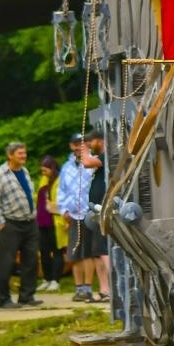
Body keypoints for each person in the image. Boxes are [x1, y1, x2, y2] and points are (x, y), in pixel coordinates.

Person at [0, 142, 41, 309]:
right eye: (20, 153)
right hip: (11, 223)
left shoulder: (24, 171)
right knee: (6, 262)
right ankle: (3, 299)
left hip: (29, 222)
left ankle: (27, 296)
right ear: (10, 155)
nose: (23, 156)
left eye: (24, 153)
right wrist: (1, 224)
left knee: (31, 260)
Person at [56, 133, 105, 303]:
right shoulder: (66, 167)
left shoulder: (93, 161)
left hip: (89, 213)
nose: (79, 147)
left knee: (90, 253)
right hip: (73, 215)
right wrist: (63, 210)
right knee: (74, 253)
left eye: (82, 144)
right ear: (71, 146)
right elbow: (61, 190)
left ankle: (89, 286)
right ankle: (79, 288)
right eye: (76, 144)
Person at [84, 130, 111, 301]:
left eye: (90, 142)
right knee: (97, 252)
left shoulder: (106, 157)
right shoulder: (99, 158)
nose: (88, 145)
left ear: (99, 141)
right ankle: (104, 290)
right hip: (96, 212)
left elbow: (86, 162)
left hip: (104, 210)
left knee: (104, 251)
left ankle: (112, 287)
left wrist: (83, 150)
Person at [36, 156, 64, 292]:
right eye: (42, 169)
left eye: (46, 169)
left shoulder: (60, 181)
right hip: (41, 221)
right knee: (44, 251)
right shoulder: (43, 179)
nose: (44, 172)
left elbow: (63, 200)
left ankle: (55, 279)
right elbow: (38, 196)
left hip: (55, 221)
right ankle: (46, 278)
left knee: (57, 251)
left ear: (52, 168)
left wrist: (52, 206)